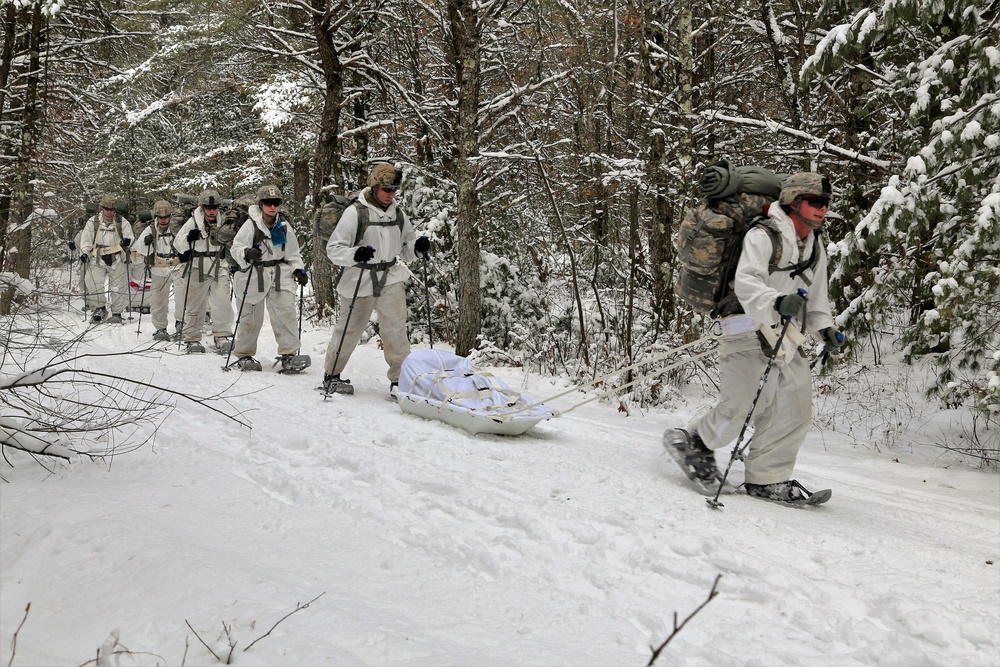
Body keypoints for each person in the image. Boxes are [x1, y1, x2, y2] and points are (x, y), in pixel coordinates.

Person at [664, 172, 845, 504]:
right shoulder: (763, 235)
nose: (822, 209)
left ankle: (767, 478)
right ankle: (695, 442)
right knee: (744, 403)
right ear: (794, 203)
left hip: (784, 334)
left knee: (795, 406)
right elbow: (747, 282)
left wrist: (825, 328)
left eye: (825, 203)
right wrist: (775, 302)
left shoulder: (815, 245)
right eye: (815, 202)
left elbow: (818, 297)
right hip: (743, 326)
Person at [322, 162, 429, 397]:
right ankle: (331, 375)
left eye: (394, 190)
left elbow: (407, 250)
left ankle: (400, 381)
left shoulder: (398, 214)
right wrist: (354, 254)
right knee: (350, 329)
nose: (391, 194)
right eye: (386, 189)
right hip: (359, 277)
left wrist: (418, 247)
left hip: (390, 276)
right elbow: (334, 249)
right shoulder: (355, 213)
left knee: (396, 330)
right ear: (375, 186)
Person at [229, 185, 307, 372]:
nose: (272, 207)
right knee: (250, 317)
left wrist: (298, 270)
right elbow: (235, 248)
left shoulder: (283, 226)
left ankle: (289, 354)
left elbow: (293, 254)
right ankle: (244, 354)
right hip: (254, 274)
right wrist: (247, 252)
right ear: (261, 204)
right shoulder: (250, 225)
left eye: (276, 203)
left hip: (280, 274)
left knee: (285, 314)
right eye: (268, 203)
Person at [173, 189, 235, 354]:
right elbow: (178, 245)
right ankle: (192, 338)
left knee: (222, 301)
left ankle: (222, 335)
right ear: (202, 207)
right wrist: (189, 239)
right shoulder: (193, 221)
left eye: (214, 207)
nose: (212, 211)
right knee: (195, 304)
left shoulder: (224, 221)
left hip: (218, 263)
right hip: (197, 264)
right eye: (208, 207)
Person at [79, 194, 132, 324]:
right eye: (107, 209)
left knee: (118, 285)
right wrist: (85, 253)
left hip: (117, 256)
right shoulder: (93, 221)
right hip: (97, 256)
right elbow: (86, 239)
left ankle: (117, 313)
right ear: (102, 208)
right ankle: (99, 308)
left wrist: (126, 242)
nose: (109, 212)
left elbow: (130, 237)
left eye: (112, 209)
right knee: (92, 282)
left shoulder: (122, 222)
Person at [138, 200, 185, 341]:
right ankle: (160, 327)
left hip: (177, 265)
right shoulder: (151, 229)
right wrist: (147, 242)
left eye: (166, 217)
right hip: (159, 266)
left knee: (182, 295)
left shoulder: (176, 228)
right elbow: (140, 248)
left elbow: (185, 242)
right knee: (158, 299)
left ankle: (181, 322)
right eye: (160, 217)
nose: (163, 220)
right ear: (156, 217)